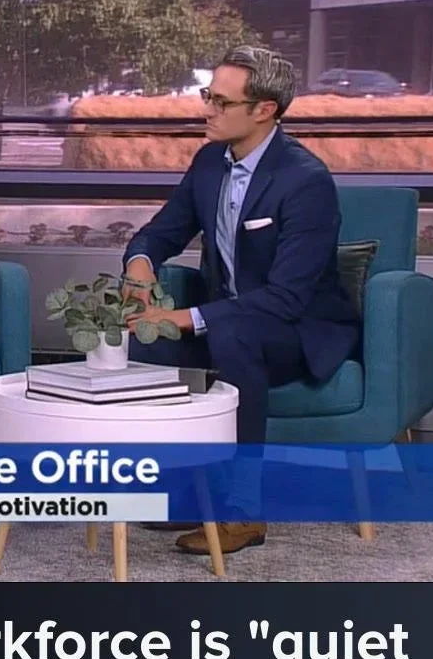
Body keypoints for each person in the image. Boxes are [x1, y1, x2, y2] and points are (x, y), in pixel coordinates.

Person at [121, 45, 360, 555]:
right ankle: (185, 492)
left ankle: (244, 510)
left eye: (221, 102)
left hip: (296, 329)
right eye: (208, 96)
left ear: (264, 110)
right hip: (230, 319)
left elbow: (285, 298)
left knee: (232, 334)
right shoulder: (210, 162)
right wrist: (139, 267)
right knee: (151, 339)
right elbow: (159, 234)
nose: (206, 109)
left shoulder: (305, 180)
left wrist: (186, 317)